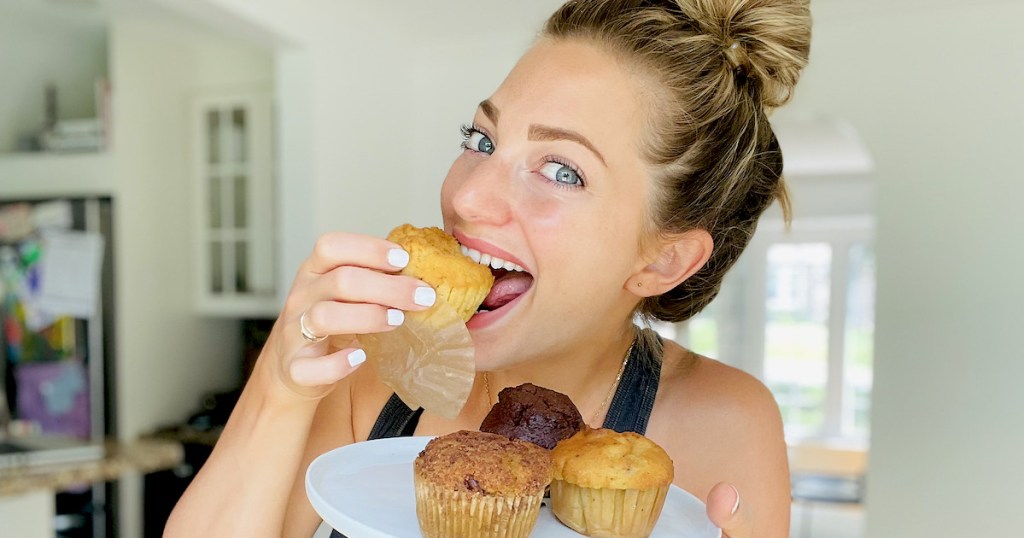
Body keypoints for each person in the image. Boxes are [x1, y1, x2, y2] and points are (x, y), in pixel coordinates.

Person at [166, 0, 811, 536]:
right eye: (482, 139)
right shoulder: (371, 368)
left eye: (562, 171)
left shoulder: (724, 421)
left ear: (662, 259)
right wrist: (277, 390)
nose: (466, 197)